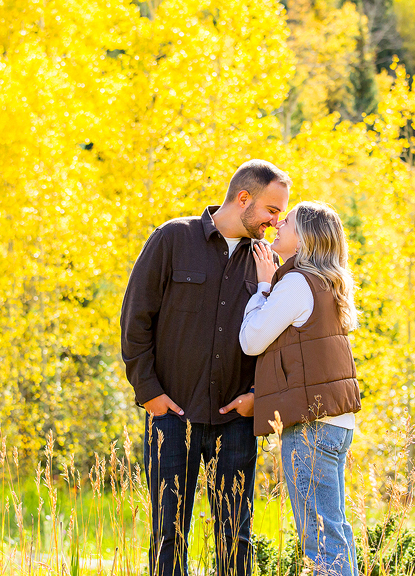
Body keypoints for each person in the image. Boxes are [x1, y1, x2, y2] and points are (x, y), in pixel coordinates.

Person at [121, 160, 291, 576]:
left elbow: (276, 338)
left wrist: (257, 397)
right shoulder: (173, 238)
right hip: (171, 418)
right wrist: (148, 392)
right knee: (168, 536)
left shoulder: (267, 261)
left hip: (235, 422)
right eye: (271, 210)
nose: (276, 221)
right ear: (243, 198)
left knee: (236, 538)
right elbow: (135, 317)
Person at [235, 201, 361, 576]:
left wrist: (262, 286)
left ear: (303, 238)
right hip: (336, 424)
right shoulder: (327, 282)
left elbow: (251, 340)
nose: (277, 224)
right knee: (333, 529)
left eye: (286, 222)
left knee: (320, 537)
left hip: (310, 426)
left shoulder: (295, 283)